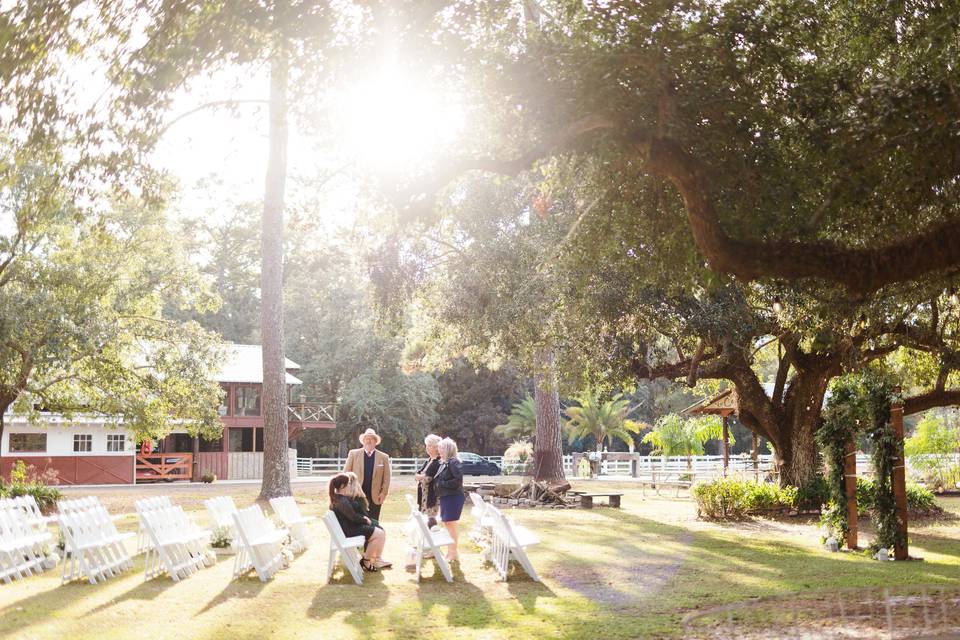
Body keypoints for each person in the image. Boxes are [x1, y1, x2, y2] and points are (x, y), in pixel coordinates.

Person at [328, 472, 389, 571]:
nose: (349, 486)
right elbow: (353, 517)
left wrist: (364, 519)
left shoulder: (339, 498)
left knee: (380, 533)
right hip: (349, 531)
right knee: (379, 534)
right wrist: (365, 520)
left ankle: (370, 559)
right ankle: (366, 561)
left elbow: (352, 516)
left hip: (348, 528)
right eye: (348, 484)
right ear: (343, 486)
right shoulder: (342, 501)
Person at [343, 428, 391, 521]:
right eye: (366, 439)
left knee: (374, 521)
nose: (369, 441)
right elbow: (346, 474)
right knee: (358, 520)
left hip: (375, 496)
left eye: (371, 439)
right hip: (356, 495)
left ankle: (375, 535)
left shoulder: (383, 457)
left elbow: (386, 478)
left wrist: (383, 493)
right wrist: (346, 491)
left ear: (375, 441)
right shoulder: (353, 454)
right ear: (363, 441)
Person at [434, 437, 465, 563]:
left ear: (448, 449)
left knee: (451, 525)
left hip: (453, 497)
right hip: (446, 497)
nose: (439, 451)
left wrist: (442, 483)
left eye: (441, 449)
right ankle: (451, 552)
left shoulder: (454, 462)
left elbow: (458, 481)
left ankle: (452, 553)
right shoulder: (445, 463)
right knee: (447, 524)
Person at [415, 434, 442, 524]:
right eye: (426, 445)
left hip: (431, 495)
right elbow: (417, 474)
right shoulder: (428, 461)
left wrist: (422, 477)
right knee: (424, 518)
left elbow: (428, 478)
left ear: (436, 448)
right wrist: (421, 476)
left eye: (429, 446)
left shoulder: (438, 462)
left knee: (431, 518)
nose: (427, 448)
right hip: (423, 495)